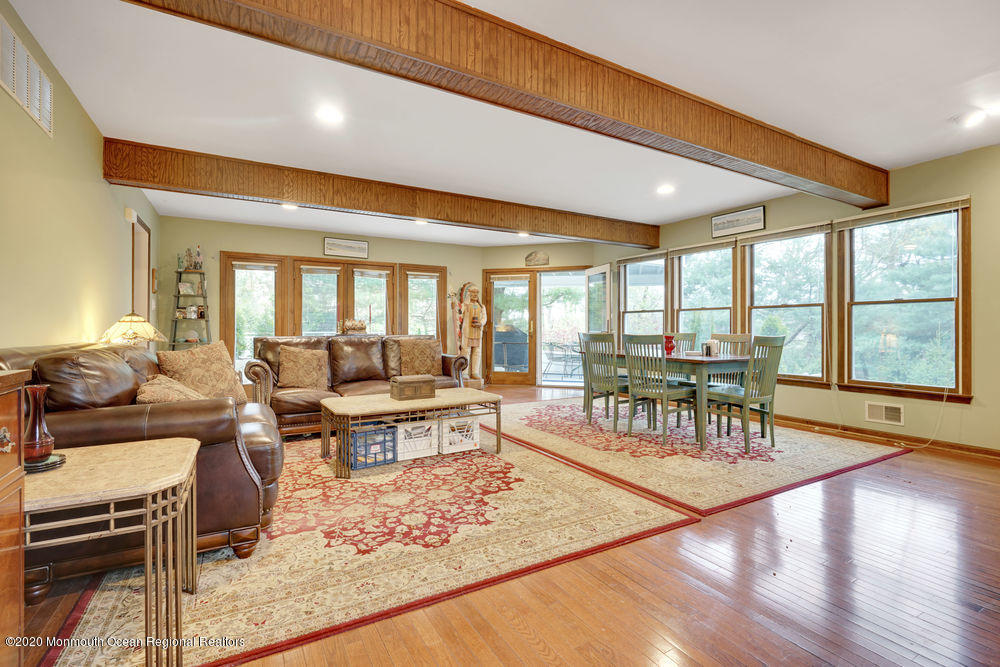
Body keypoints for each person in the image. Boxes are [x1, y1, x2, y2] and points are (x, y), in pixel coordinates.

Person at [459, 284, 487, 380]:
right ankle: (465, 372)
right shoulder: (465, 305)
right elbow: (459, 315)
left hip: (477, 332)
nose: (475, 294)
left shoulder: (482, 306)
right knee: (466, 352)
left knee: (477, 352)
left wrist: (481, 323)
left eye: (476, 292)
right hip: (467, 332)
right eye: (473, 292)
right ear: (469, 293)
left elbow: (484, 318)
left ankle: (475, 372)